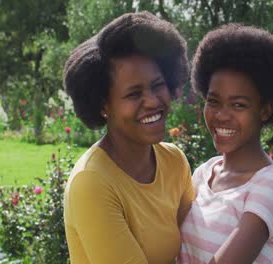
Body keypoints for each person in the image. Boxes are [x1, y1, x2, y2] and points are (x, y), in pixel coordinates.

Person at [63, 11, 194, 264]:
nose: (153, 101)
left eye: (157, 85)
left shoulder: (174, 161)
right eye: (134, 94)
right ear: (104, 105)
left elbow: (195, 246)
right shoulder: (92, 182)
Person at [178, 24, 273, 264]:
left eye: (238, 105)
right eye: (213, 101)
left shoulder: (271, 185)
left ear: (264, 111)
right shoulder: (203, 173)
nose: (221, 115)